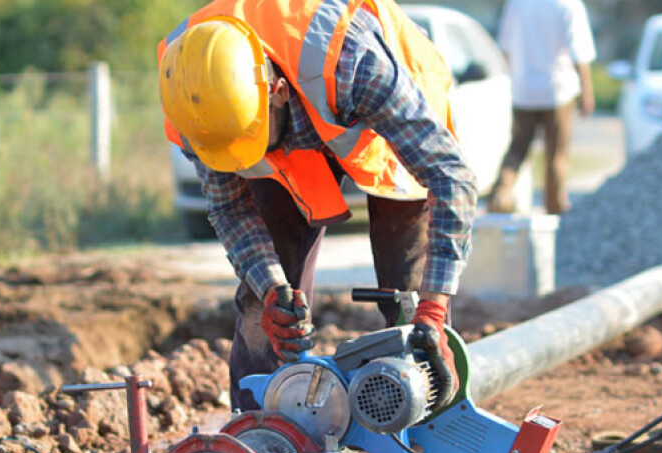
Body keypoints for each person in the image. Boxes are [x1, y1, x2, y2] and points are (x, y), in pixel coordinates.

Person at [157, 0, 477, 413]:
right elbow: (230, 210)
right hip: (293, 119)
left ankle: (418, 436)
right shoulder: (192, 93)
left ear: (277, 91)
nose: (240, 158)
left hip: (386, 114)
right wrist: (272, 290)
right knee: (265, 309)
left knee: (409, 295)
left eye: (249, 141)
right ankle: (261, 439)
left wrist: (433, 310)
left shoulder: (352, 60)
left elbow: (451, 177)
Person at [489, 0, 596, 215]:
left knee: (518, 148)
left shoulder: (517, 4)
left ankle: (501, 192)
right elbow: (579, 50)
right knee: (556, 153)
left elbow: (505, 49)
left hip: (523, 90)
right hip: (558, 90)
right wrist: (587, 90)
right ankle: (554, 205)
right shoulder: (567, 4)